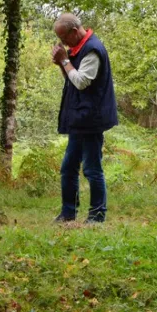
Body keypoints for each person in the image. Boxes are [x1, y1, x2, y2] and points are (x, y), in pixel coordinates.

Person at [51, 13, 118, 223]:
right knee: (68, 168)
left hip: (91, 120)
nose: (63, 43)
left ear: (74, 31)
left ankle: (97, 217)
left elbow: (81, 82)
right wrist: (63, 64)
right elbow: (71, 79)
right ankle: (68, 213)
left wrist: (64, 60)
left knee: (92, 169)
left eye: (64, 38)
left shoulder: (93, 50)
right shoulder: (78, 49)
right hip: (80, 119)